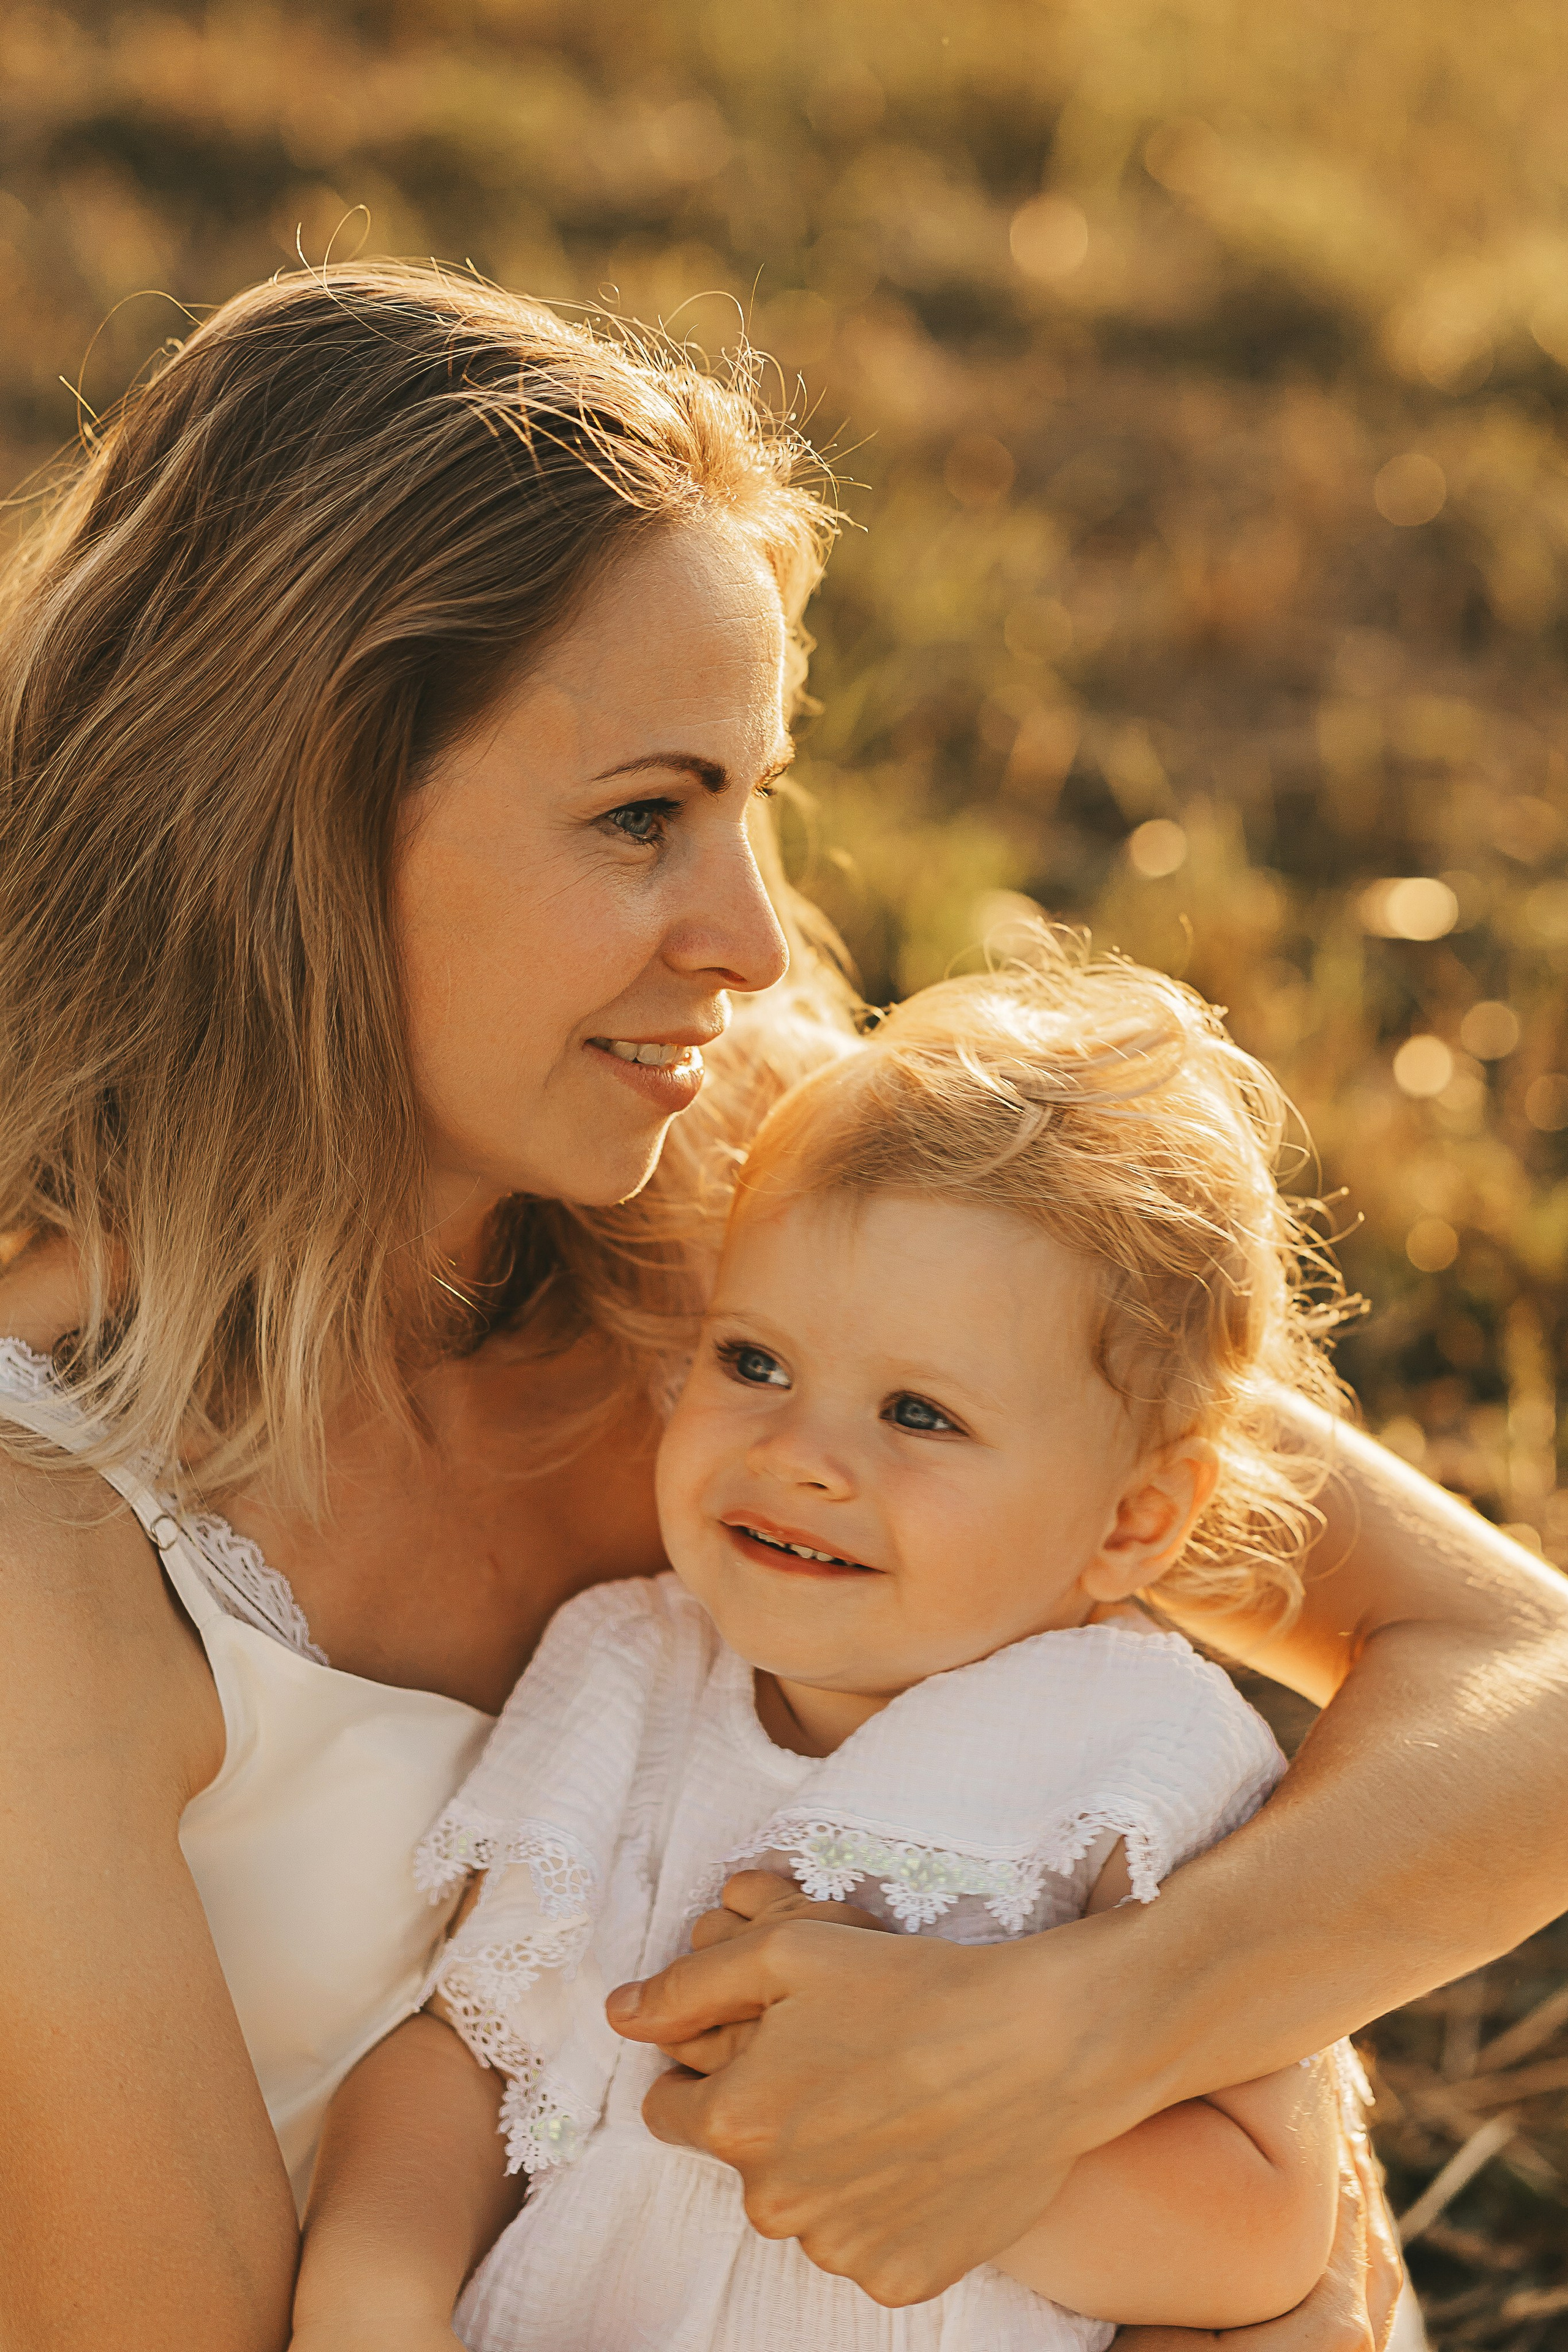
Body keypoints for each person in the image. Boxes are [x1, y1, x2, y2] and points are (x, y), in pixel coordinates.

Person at [0, 260, 1564, 2352]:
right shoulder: (46, 1528)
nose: (750, 939)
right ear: (286, 821)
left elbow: (1516, 1679)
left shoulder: (737, 1203)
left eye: (752, 797)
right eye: (644, 816)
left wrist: (1080, 2047)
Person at [289, 944, 1352, 2351]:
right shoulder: (625, 1668)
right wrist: (372, 2297)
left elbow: (1268, 2218)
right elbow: (465, 2051)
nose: (799, 1456)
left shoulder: (1145, 1753)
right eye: (753, 1363)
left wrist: (939, 2154)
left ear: (1131, 1520)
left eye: (916, 1415)